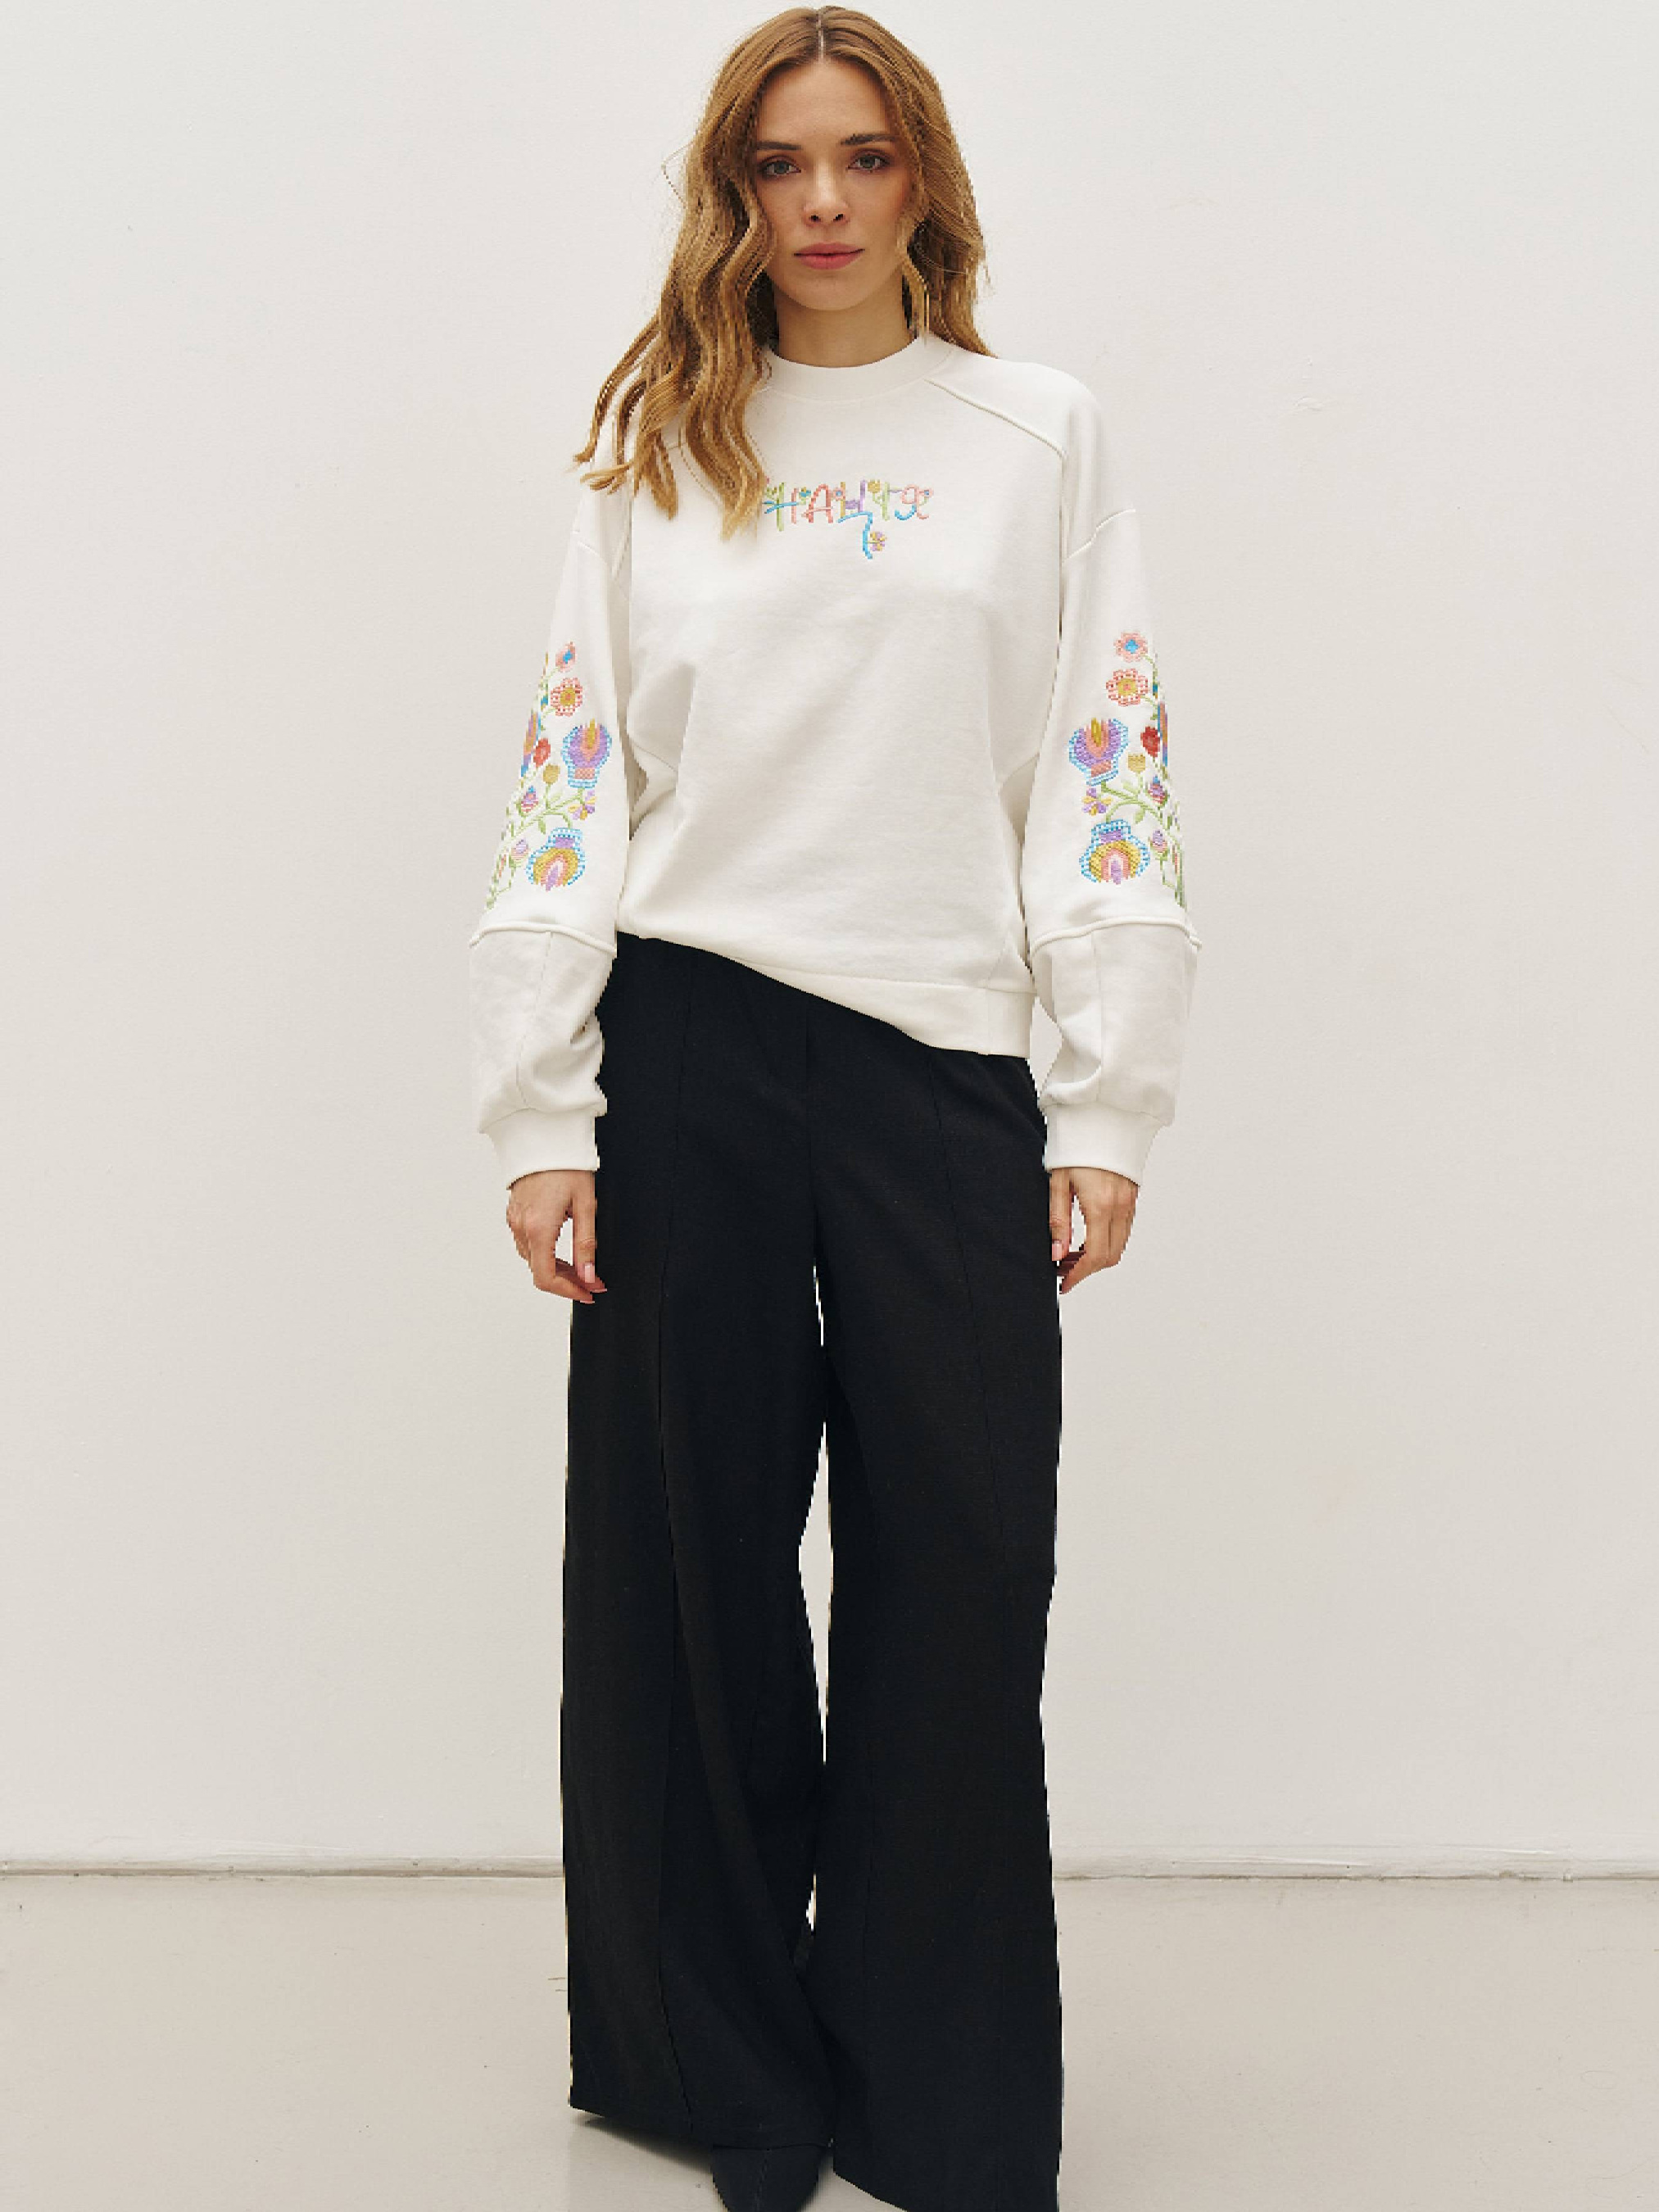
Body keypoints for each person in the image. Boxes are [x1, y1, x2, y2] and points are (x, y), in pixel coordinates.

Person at [467, 9, 1200, 2209]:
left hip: (940, 1066)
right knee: (688, 1567)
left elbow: (1101, 761)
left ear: (922, 182)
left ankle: (931, 2086)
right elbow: (572, 776)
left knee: (958, 1572)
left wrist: (1105, 1096)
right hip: (687, 1048)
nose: (820, 202)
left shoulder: (1032, 435)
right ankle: (722, 2068)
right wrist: (541, 1104)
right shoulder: (660, 444)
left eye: (861, 158)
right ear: (731, 191)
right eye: (779, 163)